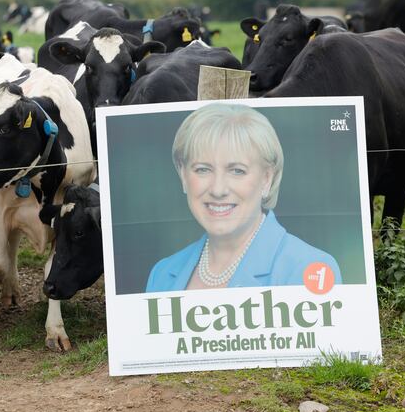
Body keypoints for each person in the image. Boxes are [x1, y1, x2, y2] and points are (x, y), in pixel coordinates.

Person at [146, 103, 341, 292]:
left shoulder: (310, 269)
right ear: (183, 175)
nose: (218, 189)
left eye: (237, 171)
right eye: (203, 169)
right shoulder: (161, 274)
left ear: (266, 178)